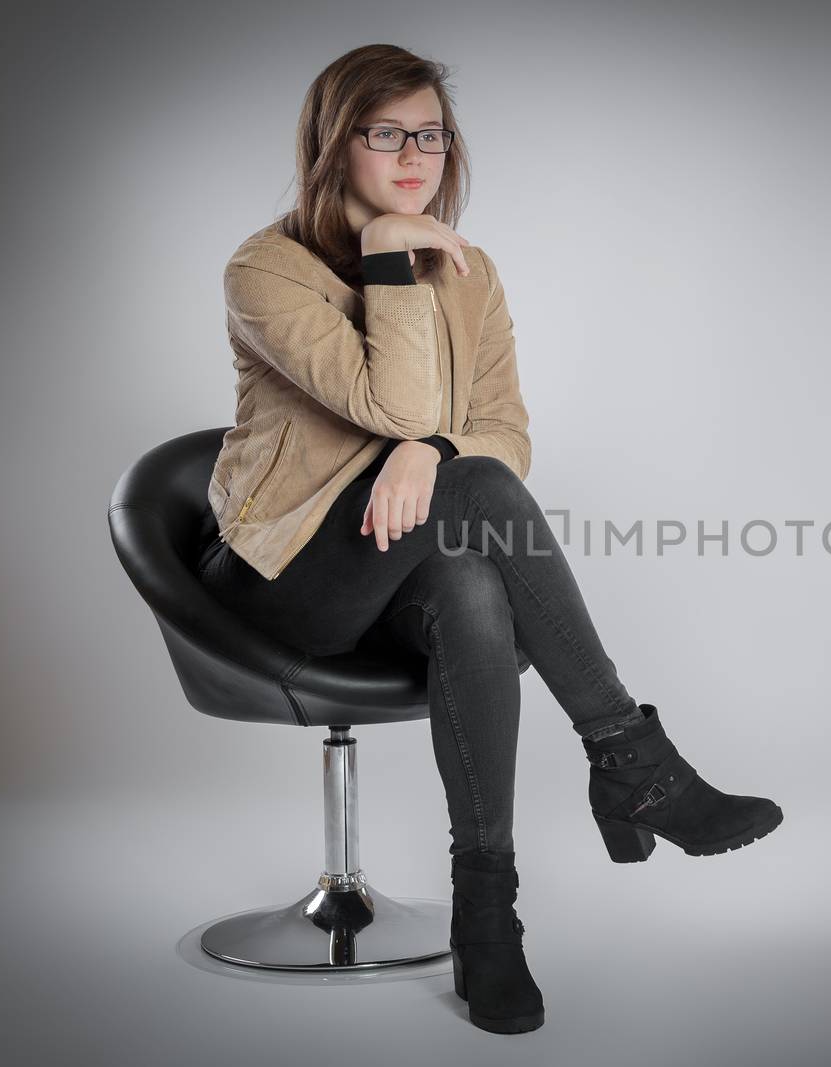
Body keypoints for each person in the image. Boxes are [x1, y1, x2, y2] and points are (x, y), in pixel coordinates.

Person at [196, 43, 783, 1034]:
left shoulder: (470, 272)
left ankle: (486, 917)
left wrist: (434, 452)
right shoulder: (267, 270)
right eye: (386, 133)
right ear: (335, 143)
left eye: (429, 132)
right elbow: (402, 401)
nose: (413, 153)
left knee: (469, 573)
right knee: (467, 482)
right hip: (287, 576)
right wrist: (390, 261)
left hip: (411, 569)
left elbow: (506, 434)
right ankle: (632, 762)